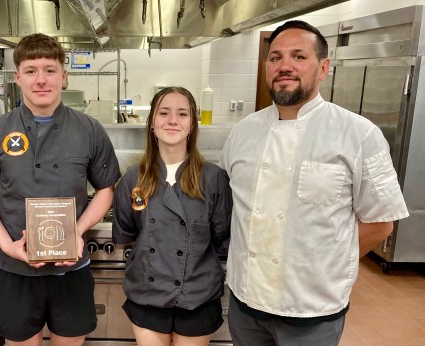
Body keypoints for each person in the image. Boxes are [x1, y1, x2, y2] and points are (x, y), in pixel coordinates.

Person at [222, 20, 410, 345]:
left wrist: (326, 269)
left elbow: (380, 224)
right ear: (266, 67)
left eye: (298, 56)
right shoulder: (242, 133)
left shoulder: (359, 134)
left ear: (323, 68)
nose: (285, 66)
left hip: (312, 313)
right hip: (246, 304)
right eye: (276, 57)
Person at [0, 33, 121, 346]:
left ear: (63, 77)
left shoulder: (89, 130)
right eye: (32, 70)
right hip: (16, 269)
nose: (41, 80)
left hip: (72, 269)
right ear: (18, 77)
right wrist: (8, 246)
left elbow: (106, 190)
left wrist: (77, 230)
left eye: (50, 70)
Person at [112, 86, 232, 346]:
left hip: (197, 295)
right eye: (164, 113)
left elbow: (222, 240)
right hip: (147, 293)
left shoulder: (213, 179)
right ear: (152, 123)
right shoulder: (133, 178)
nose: (173, 120)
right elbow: (128, 233)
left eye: (182, 114)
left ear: (192, 125)